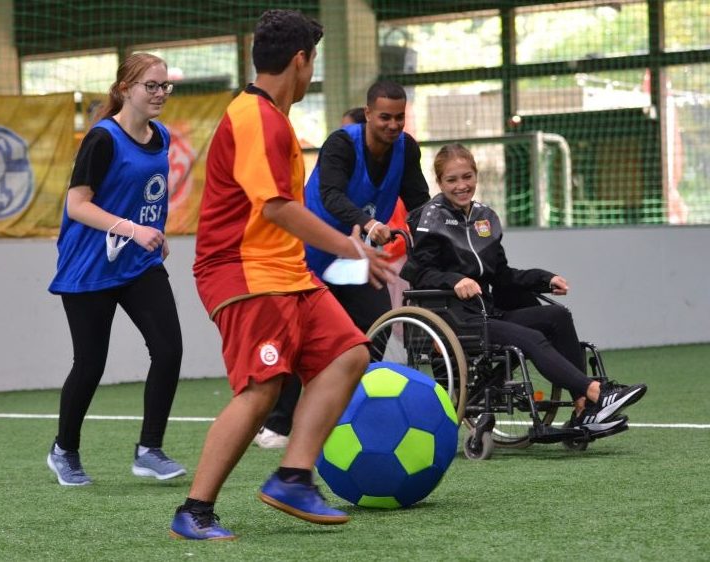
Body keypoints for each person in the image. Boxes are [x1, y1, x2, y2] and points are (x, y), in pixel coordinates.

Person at [170, 10, 392, 541]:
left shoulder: (272, 117)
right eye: (312, 61)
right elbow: (274, 207)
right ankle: (194, 510)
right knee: (263, 388)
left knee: (351, 352)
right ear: (300, 61)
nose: (311, 72)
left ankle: (293, 476)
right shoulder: (254, 118)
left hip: (285, 272)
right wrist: (350, 247)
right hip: (242, 272)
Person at [403, 143, 647, 433]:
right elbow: (419, 272)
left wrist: (543, 279)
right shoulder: (431, 218)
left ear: (476, 176)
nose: (461, 186)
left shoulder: (484, 217)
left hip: (486, 313)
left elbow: (502, 275)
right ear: (440, 182)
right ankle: (595, 392)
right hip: (456, 319)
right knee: (530, 337)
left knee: (557, 317)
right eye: (452, 180)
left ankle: (583, 407)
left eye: (467, 176)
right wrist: (454, 280)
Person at [253, 81, 430, 449]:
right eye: (385, 117)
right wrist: (369, 224)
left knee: (375, 330)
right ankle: (276, 424)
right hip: (310, 254)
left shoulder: (405, 148)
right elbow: (331, 195)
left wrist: (434, 231)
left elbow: (418, 201)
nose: (393, 125)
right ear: (368, 115)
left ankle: (360, 412)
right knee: (298, 338)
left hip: (355, 259)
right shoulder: (341, 144)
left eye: (399, 118)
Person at [47, 53, 185, 486]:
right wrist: (133, 229)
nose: (160, 93)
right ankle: (64, 450)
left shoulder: (161, 136)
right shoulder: (102, 139)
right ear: (125, 88)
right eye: (152, 86)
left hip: (138, 263)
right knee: (90, 364)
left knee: (169, 350)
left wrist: (154, 236)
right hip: (88, 266)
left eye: (165, 86)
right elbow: (77, 204)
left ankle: (149, 450)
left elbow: (149, 195)